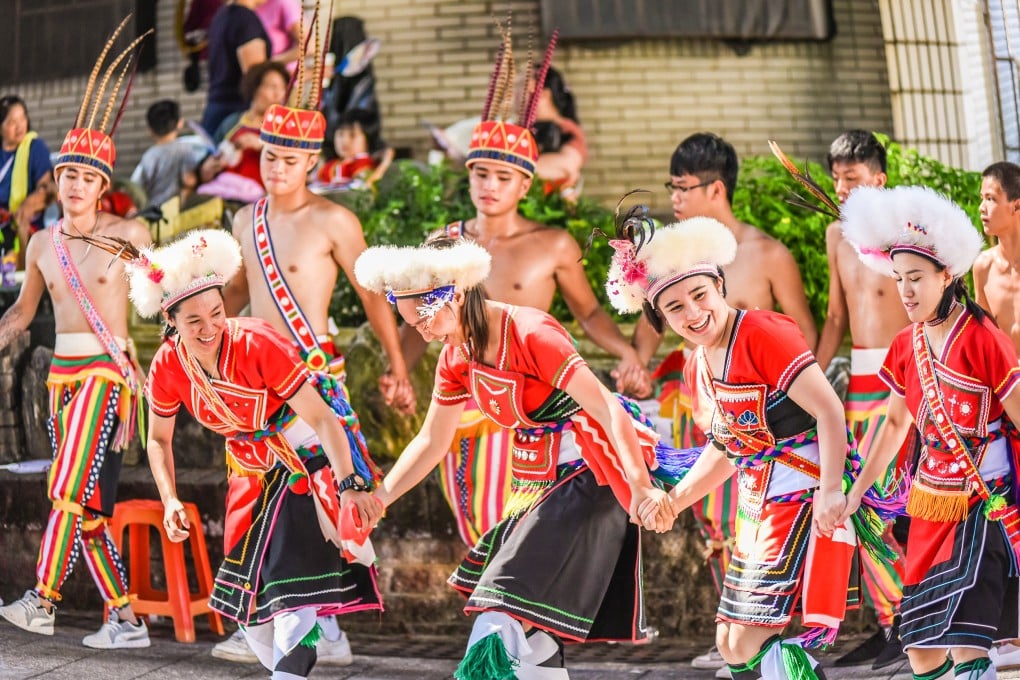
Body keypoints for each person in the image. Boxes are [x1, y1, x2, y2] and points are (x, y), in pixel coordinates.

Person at [354, 237, 672, 680]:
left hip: (590, 473)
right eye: (412, 324)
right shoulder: (455, 357)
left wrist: (639, 487)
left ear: (456, 293)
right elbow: (432, 440)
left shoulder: (531, 333)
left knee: (500, 610)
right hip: (536, 483)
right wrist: (379, 498)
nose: (423, 333)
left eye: (425, 318)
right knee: (534, 633)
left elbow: (607, 408)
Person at [401, 25, 650, 549]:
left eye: (502, 177)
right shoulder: (444, 245)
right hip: (470, 403)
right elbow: (422, 316)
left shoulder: (553, 245)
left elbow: (589, 314)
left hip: (540, 406)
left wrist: (628, 353)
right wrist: (399, 371)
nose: (489, 186)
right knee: (480, 531)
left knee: (534, 537)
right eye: (481, 174)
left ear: (525, 184)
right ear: (469, 176)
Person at [214, 13, 413, 666]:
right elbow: (236, 295)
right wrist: (190, 321)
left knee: (313, 495)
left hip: (311, 372)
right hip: (252, 380)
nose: (277, 168)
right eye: (269, 156)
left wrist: (397, 364)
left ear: (311, 162)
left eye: (290, 159)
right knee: (260, 495)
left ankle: (313, 624)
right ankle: (294, 618)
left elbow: (372, 294)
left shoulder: (335, 219)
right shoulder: (244, 219)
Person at [101, 228, 381, 679]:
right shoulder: (169, 365)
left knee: (292, 598)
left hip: (301, 457)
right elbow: (158, 439)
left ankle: (311, 641)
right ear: (170, 320)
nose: (209, 327)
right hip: (248, 471)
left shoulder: (257, 343)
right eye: (194, 321)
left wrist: (348, 485)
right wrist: (170, 498)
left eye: (217, 312)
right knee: (249, 614)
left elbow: (323, 418)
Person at [620, 216, 879, 680]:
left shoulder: (760, 332)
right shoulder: (699, 365)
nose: (693, 312)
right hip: (758, 501)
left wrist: (829, 492)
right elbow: (729, 449)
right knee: (730, 643)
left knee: (744, 639)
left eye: (700, 295)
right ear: (661, 319)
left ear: (720, 285)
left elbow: (829, 411)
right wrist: (673, 502)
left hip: (801, 489)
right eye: (675, 307)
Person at [634, 132, 819, 674]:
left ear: (716, 189)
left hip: (781, 436)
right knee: (722, 532)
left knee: (752, 612)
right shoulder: (675, 268)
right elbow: (654, 329)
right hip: (719, 424)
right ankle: (743, 638)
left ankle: (758, 636)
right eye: (670, 188)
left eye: (683, 187)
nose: (674, 198)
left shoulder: (765, 258)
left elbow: (801, 340)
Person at [0, 18, 153, 648]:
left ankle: (43, 600)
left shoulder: (129, 234)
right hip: (60, 379)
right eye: (68, 174)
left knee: (65, 488)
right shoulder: (41, 242)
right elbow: (21, 313)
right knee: (84, 507)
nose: (76, 184)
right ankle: (125, 620)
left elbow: (165, 293)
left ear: (104, 186)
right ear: (57, 178)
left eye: (88, 177)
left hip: (105, 373)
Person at [838, 184, 1020, 680]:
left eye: (916, 277)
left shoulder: (983, 338)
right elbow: (897, 424)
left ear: (948, 274)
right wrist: (856, 493)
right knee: (920, 647)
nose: (906, 291)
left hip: (984, 503)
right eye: (899, 278)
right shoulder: (906, 344)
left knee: (964, 641)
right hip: (929, 506)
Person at [813, 130, 908, 669]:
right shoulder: (836, 234)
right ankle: (891, 621)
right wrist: (807, 379)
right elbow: (834, 317)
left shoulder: (909, 228)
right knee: (862, 503)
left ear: (879, 178)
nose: (842, 188)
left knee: (902, 505)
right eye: (836, 179)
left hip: (905, 386)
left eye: (852, 177)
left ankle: (915, 620)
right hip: (858, 390)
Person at [971, 161, 1020, 672]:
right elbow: (982, 346)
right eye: (981, 198)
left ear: (1017, 206)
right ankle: (1009, 632)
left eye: (991, 198)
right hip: (1005, 412)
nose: (983, 208)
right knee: (1006, 518)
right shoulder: (983, 267)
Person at [197, 60, 288, 205]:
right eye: (272, 87)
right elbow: (211, 156)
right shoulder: (232, 123)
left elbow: (292, 162)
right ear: (255, 88)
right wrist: (207, 169)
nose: (278, 94)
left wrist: (262, 145)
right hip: (224, 195)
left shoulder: (285, 126)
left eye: (283, 88)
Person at [0, 94, 55, 267]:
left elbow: (46, 188)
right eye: (11, 122)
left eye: (22, 118)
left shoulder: (35, 147)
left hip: (25, 231)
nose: (19, 126)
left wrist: (29, 204)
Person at [201, 0, 269, 137]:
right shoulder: (246, 19)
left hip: (215, 108)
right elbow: (255, 76)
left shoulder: (221, 16)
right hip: (235, 116)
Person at [131, 99, 198, 212]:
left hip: (152, 210)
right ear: (180, 123)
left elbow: (137, 187)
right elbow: (189, 180)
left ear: (150, 130)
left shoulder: (149, 155)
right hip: (174, 210)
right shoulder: (185, 149)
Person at [531, 66, 587, 200]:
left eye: (522, 85)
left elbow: (566, 166)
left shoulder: (565, 128)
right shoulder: (520, 125)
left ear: (543, 94)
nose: (515, 93)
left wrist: (510, 168)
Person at [316, 108, 387, 188]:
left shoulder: (364, 164)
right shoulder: (331, 165)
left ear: (369, 139)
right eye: (340, 134)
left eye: (352, 135)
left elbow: (366, 184)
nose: (344, 141)